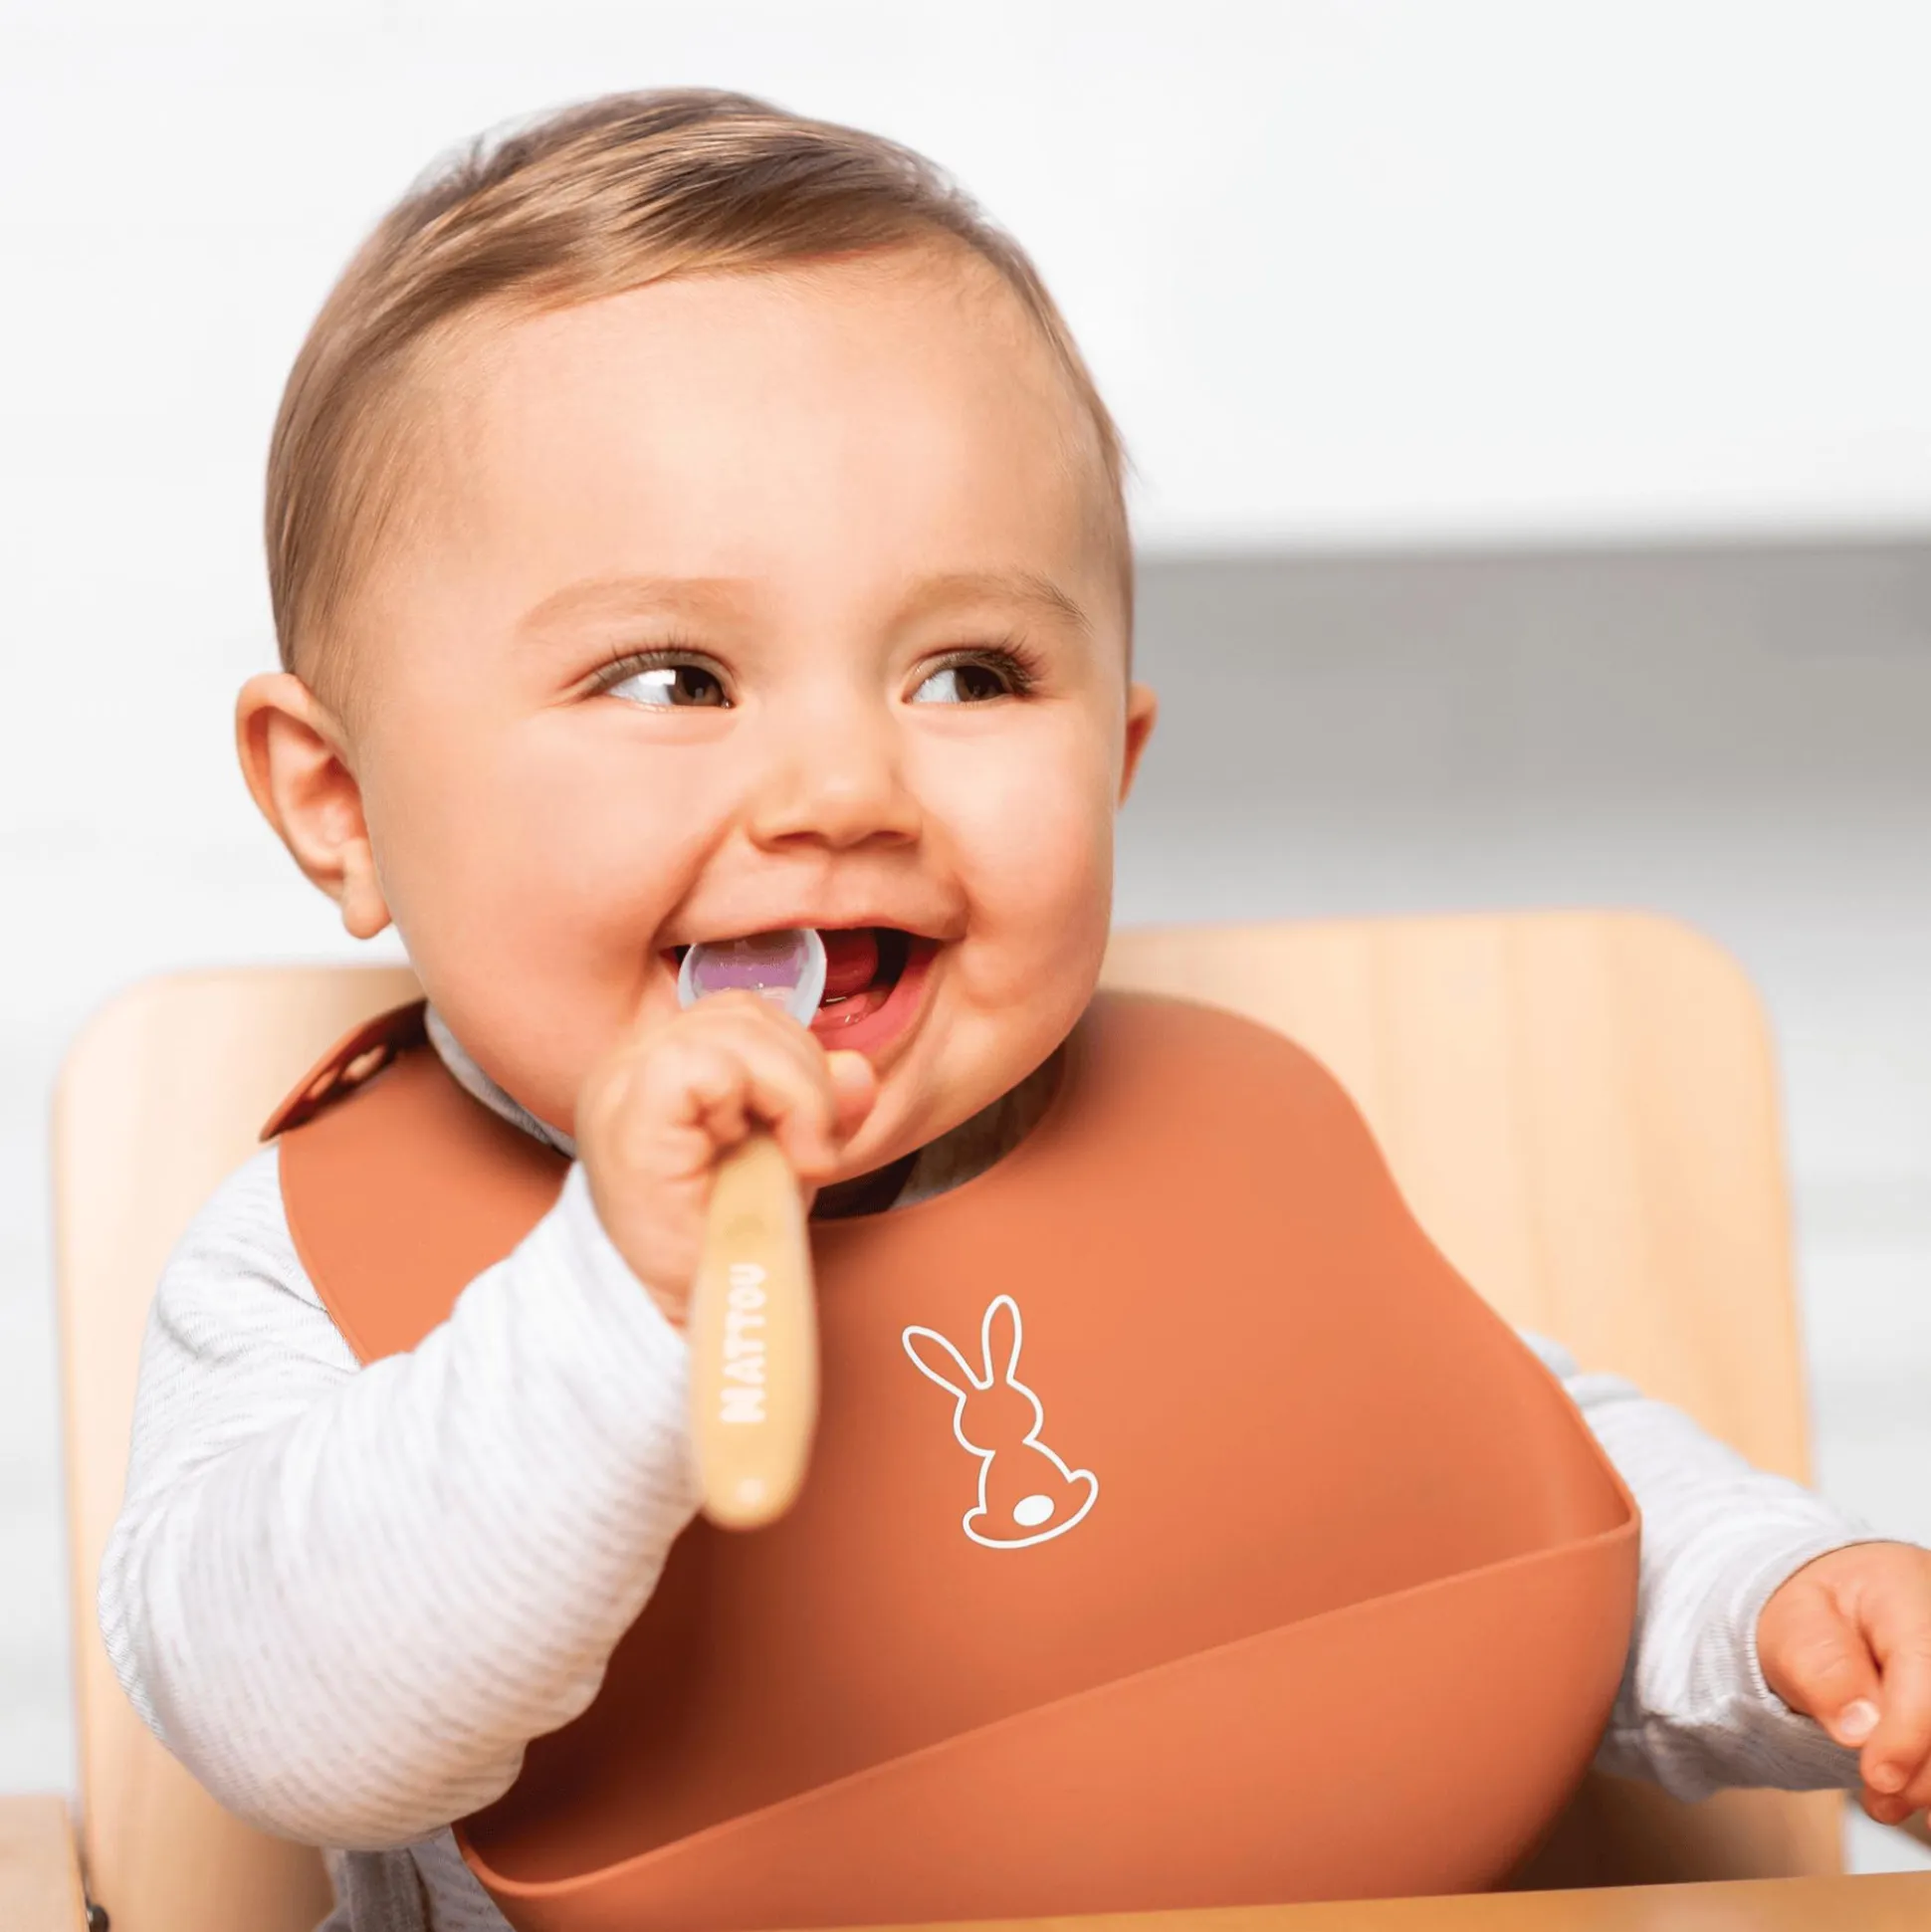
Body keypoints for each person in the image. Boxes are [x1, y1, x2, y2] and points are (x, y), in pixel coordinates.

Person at [99, 90, 1931, 1932]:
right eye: (672, 679)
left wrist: (1781, 1609)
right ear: (340, 805)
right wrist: (616, 1297)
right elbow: (297, 1722)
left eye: (970, 674)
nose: (844, 786)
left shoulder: (1207, 1149)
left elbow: (1489, 1484)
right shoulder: (305, 1264)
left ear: (1114, 758)